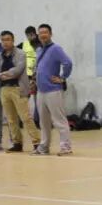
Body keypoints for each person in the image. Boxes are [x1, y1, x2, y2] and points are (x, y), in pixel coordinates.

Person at [32, 24, 73, 156]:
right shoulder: (39, 50)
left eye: (45, 32)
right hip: (41, 91)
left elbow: (68, 63)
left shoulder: (56, 49)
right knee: (43, 122)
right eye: (40, 33)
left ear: (50, 34)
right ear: (38, 35)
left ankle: (65, 147)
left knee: (59, 120)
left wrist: (62, 78)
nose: (43, 35)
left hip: (53, 90)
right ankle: (44, 147)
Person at [0, 31, 40, 152]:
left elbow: (17, 71)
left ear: (13, 40)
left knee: (26, 117)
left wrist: (3, 75)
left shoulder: (21, 53)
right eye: (3, 40)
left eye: (8, 39)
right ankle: (17, 143)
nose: (5, 42)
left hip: (18, 89)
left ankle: (37, 142)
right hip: (4, 90)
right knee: (11, 119)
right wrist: (2, 76)